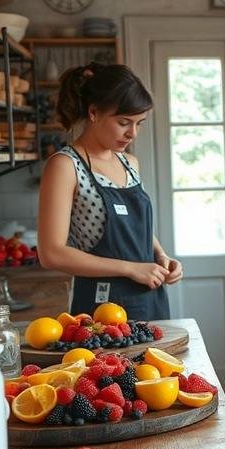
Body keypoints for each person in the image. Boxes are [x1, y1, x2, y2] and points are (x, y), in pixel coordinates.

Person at [38, 63, 181, 321]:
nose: (132, 133)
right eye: (124, 122)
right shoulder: (65, 166)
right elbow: (51, 253)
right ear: (94, 112)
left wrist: (161, 255)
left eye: (139, 123)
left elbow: (136, 229)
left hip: (150, 298)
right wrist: (131, 269)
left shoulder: (130, 163)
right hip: (101, 307)